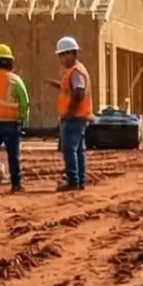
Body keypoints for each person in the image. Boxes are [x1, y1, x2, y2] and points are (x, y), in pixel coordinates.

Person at [0, 43, 30, 191]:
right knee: (13, 155)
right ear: (10, 61)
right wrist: (23, 117)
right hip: (11, 122)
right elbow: (25, 101)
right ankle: (16, 184)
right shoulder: (14, 80)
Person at [55, 35, 92, 191]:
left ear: (73, 53)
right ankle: (79, 181)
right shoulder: (73, 71)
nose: (62, 58)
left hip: (74, 117)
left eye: (65, 54)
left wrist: (70, 111)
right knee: (78, 150)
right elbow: (71, 90)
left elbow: (78, 92)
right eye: (61, 55)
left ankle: (73, 181)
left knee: (70, 149)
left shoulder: (76, 71)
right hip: (78, 117)